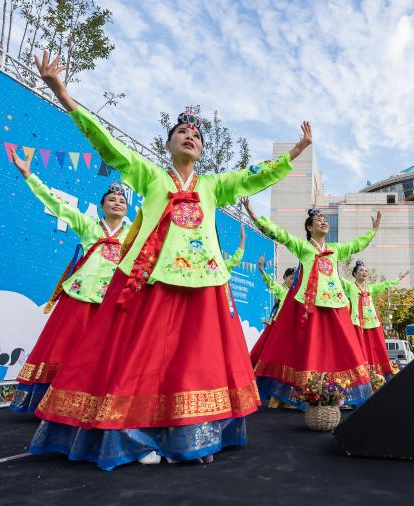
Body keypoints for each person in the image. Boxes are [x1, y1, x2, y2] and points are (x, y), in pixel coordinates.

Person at [27, 50, 313, 470]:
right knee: (140, 359)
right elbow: (106, 143)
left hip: (205, 282)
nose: (189, 135)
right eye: (181, 131)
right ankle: (131, 437)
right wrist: (63, 94)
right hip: (150, 278)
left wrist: (298, 151)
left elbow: (256, 175)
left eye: (195, 134)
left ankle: (189, 435)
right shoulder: (150, 176)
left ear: (201, 149)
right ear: (168, 144)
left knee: (193, 363)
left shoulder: (215, 185)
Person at [9, 156, 130, 413]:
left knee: (101, 353)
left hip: (111, 302)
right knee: (65, 348)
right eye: (112, 199)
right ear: (101, 206)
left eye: (122, 201)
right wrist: (29, 175)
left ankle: (92, 403)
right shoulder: (87, 225)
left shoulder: (132, 235)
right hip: (79, 298)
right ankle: (50, 403)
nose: (117, 203)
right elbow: (58, 205)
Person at [242, 198, 380, 408]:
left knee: (343, 347)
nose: (324, 222)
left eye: (325, 220)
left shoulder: (335, 250)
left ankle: (336, 391)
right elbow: (280, 234)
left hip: (335, 304)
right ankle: (308, 392)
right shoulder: (303, 247)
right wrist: (253, 215)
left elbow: (356, 245)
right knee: (310, 349)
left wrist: (373, 230)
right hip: (310, 305)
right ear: (309, 226)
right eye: (318, 220)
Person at [341, 260, 408, 379]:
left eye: (366, 271)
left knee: (376, 349)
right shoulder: (350, 287)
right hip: (357, 323)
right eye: (361, 270)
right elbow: (338, 279)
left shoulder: (371, 288)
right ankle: (360, 374)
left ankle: (379, 375)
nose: (364, 272)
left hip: (372, 323)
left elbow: (385, 284)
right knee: (359, 350)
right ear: (355, 274)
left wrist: (398, 279)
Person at [250, 256, 295, 367]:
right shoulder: (281, 289)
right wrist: (261, 270)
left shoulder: (295, 292)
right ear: (285, 278)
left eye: (294, 279)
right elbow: (270, 283)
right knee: (267, 349)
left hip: (289, 326)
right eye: (290, 278)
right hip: (277, 324)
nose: (292, 281)